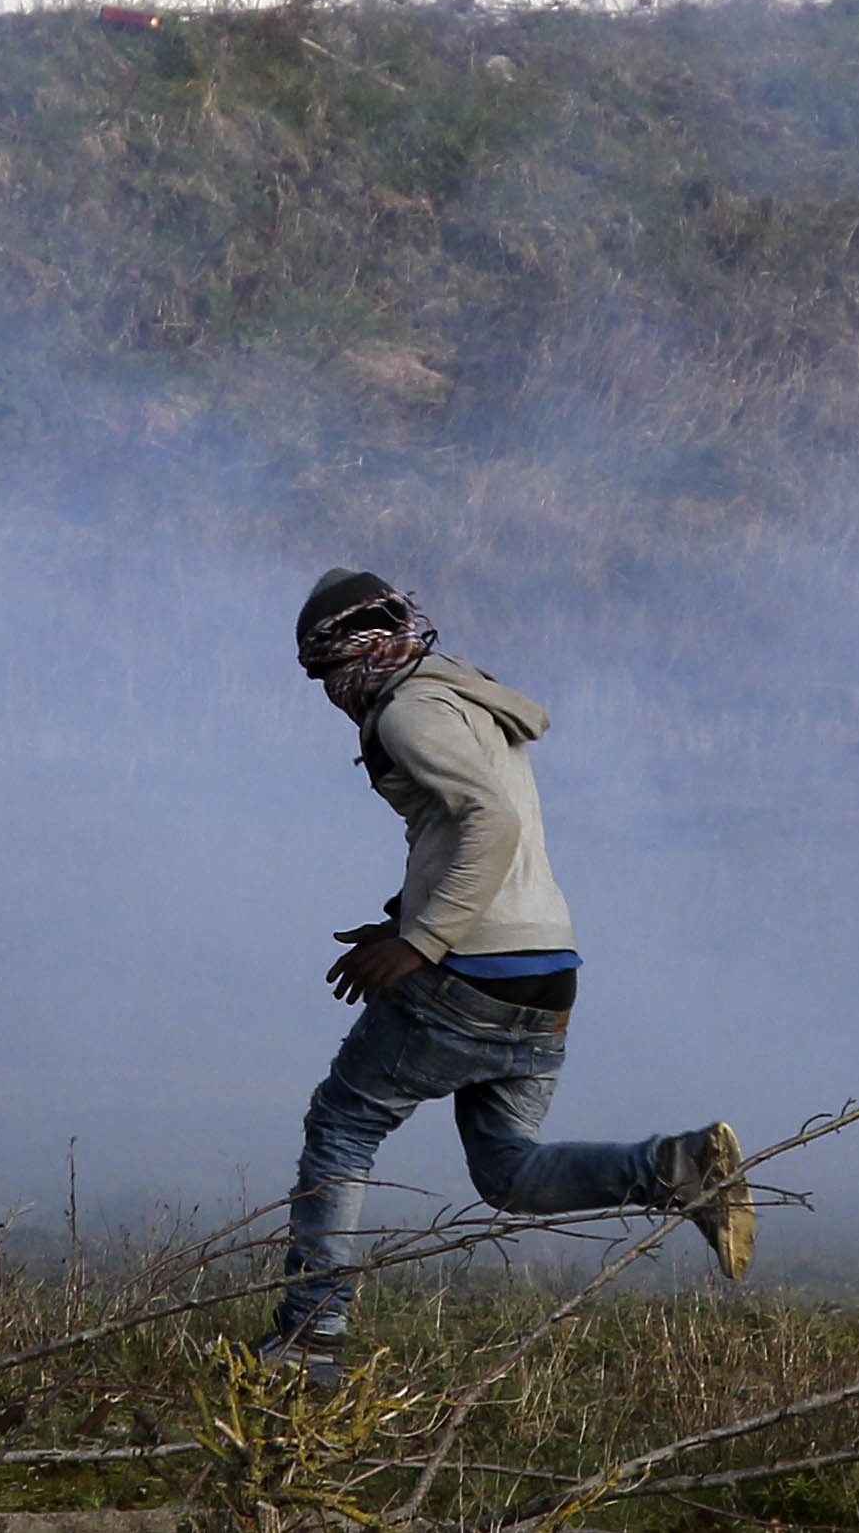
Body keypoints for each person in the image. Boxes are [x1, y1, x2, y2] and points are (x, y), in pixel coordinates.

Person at [259, 569, 753, 1385]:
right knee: (507, 1171)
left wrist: (421, 941)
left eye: (326, 672)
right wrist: (402, 917)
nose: (327, 693)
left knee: (343, 1127)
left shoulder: (410, 713)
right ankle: (678, 1168)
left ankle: (311, 1340)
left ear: (362, 654)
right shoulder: (465, 698)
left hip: (467, 969)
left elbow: (491, 822)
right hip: (546, 972)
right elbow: (460, 832)